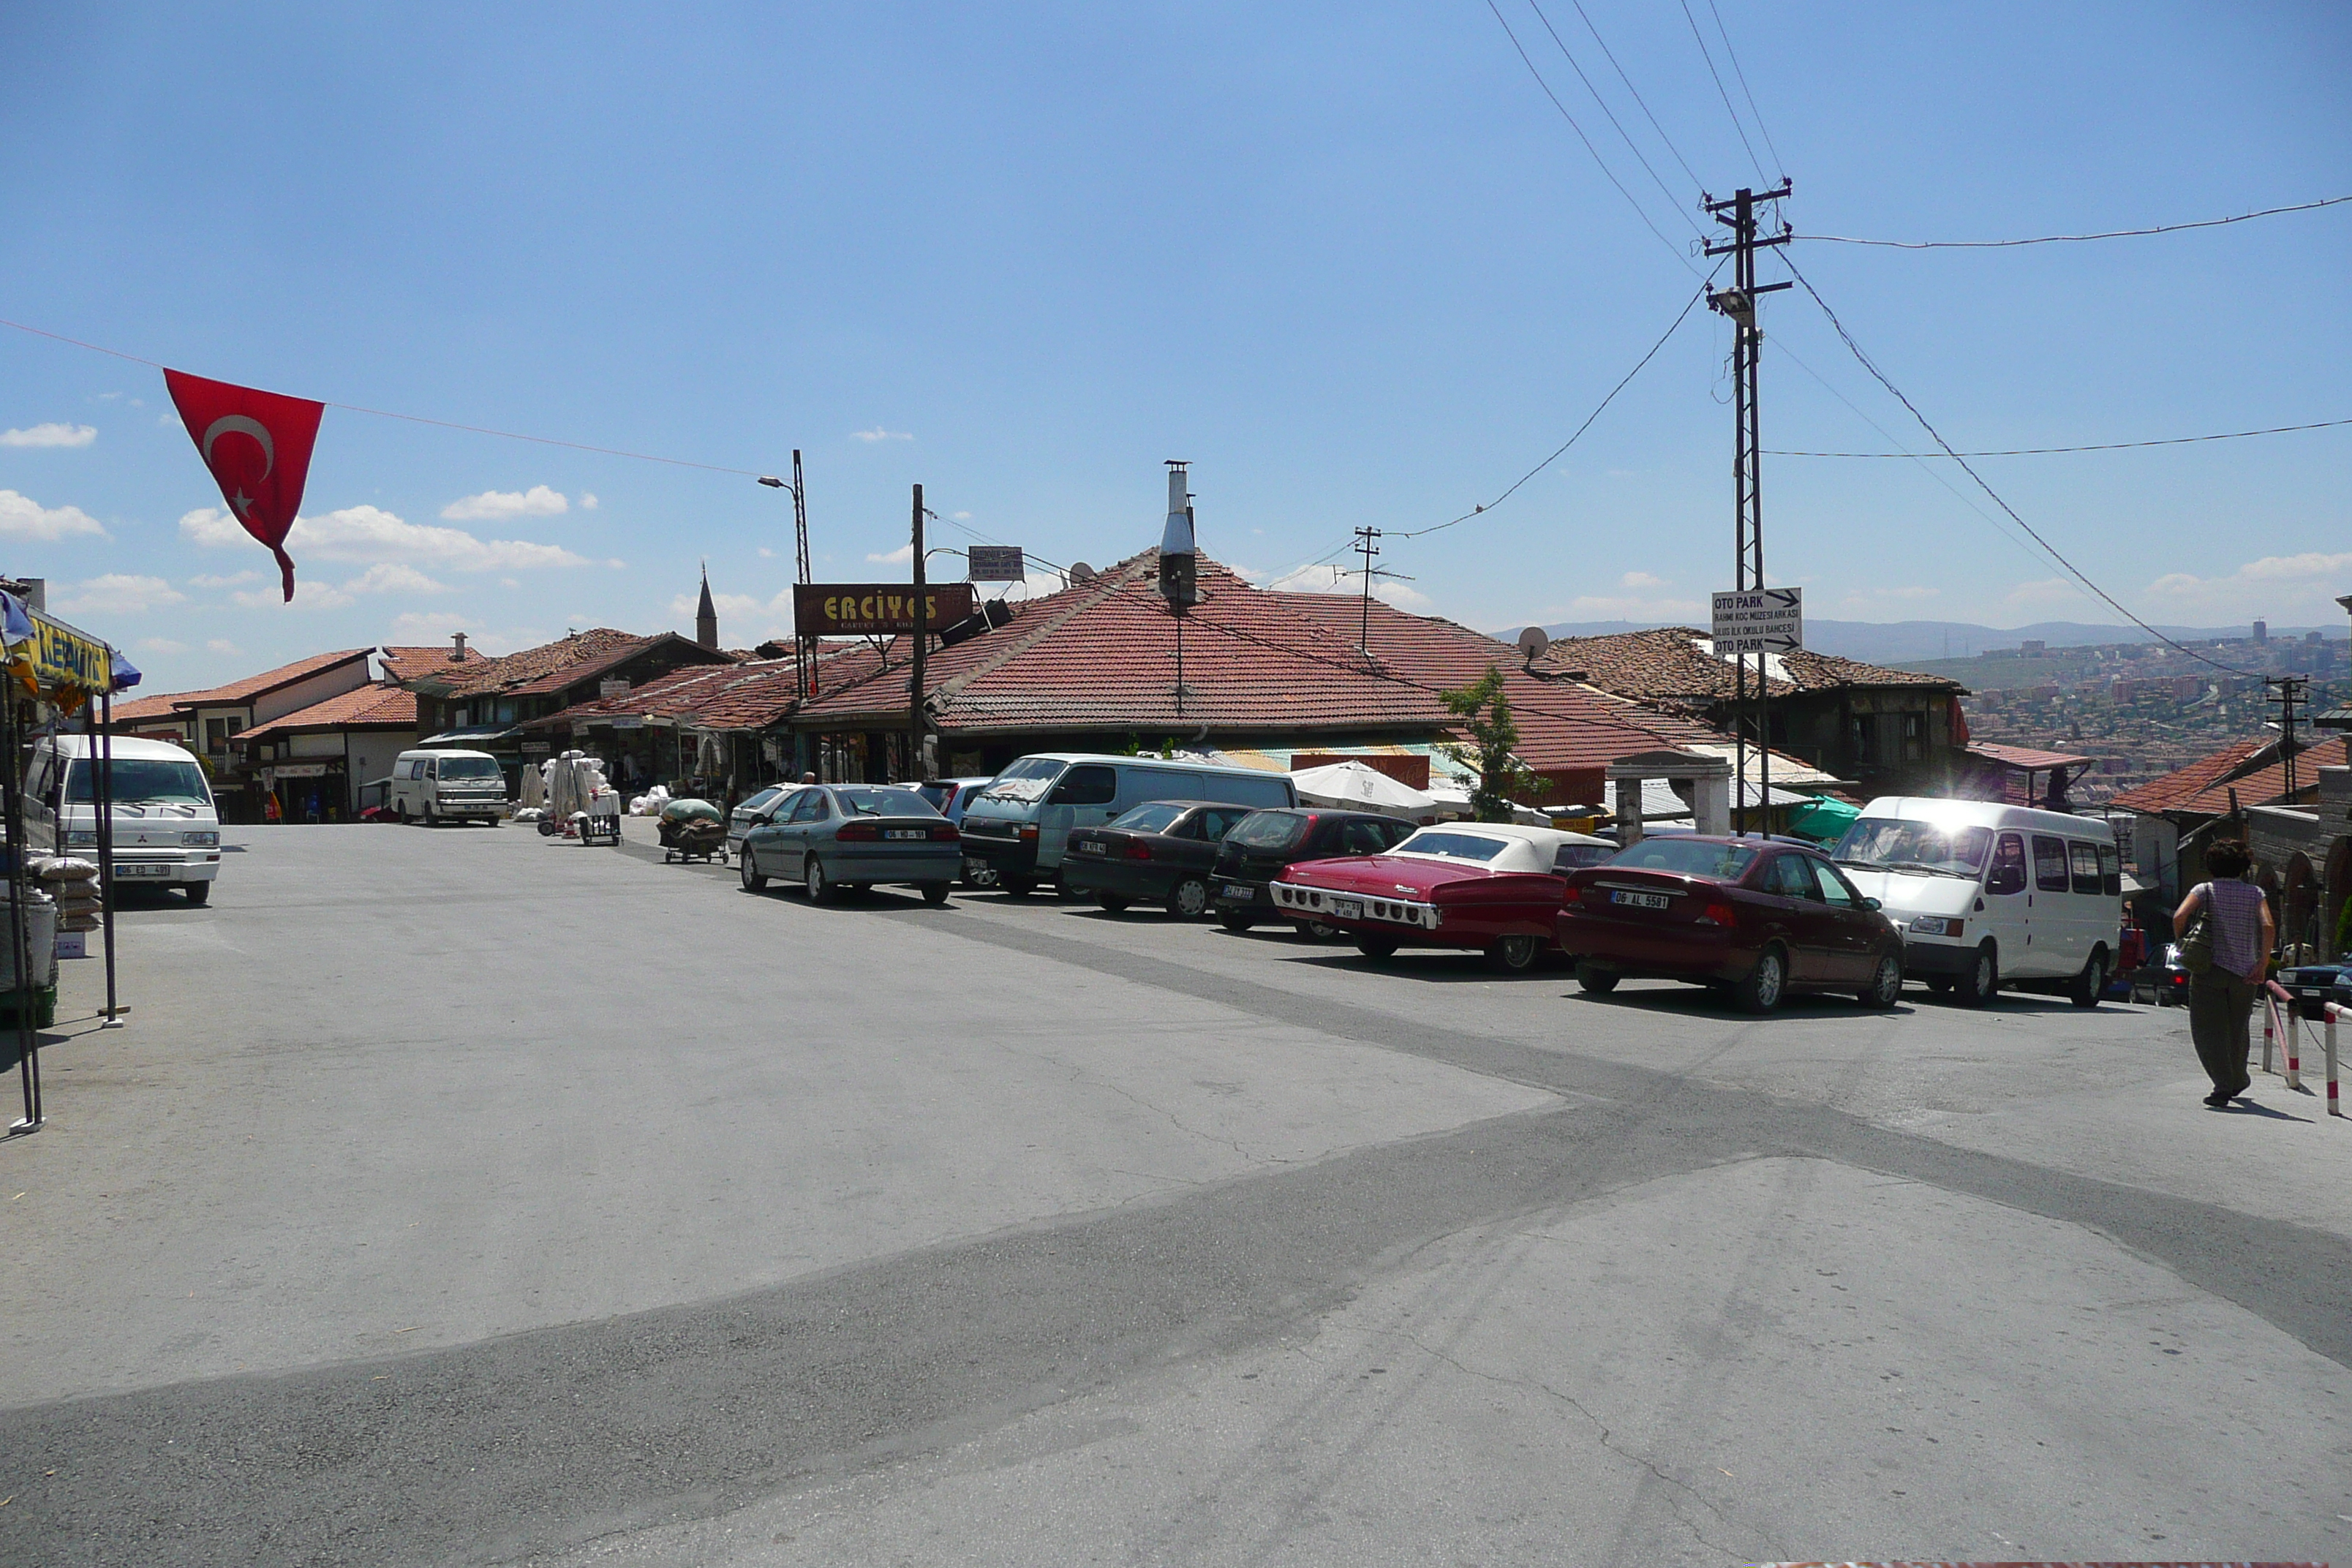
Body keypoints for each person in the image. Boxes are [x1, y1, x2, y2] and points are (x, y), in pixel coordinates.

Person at [2173, 839, 2275, 1107]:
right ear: (2243, 866)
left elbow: (2179, 917)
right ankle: (2238, 1077)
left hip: (2210, 970)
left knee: (2208, 1030)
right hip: (2246, 973)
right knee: (2237, 1029)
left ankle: (2223, 1085)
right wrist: (2262, 963)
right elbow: (2268, 926)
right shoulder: (2255, 894)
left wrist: (2184, 942)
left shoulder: (2204, 890)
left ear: (2211, 865)